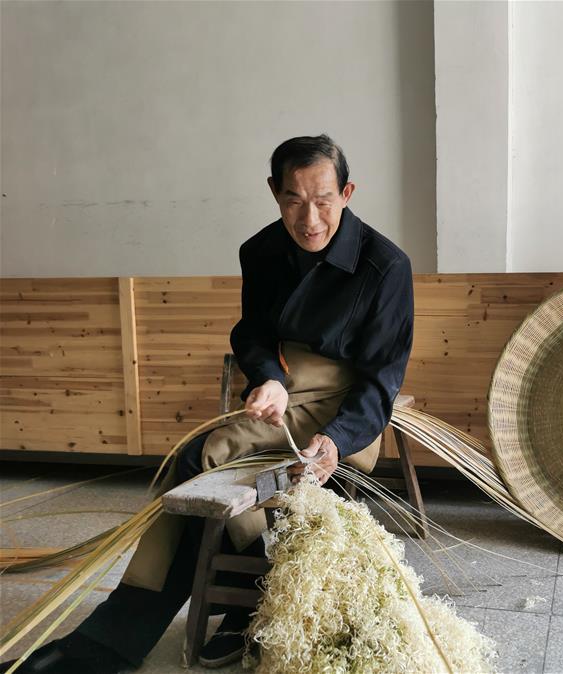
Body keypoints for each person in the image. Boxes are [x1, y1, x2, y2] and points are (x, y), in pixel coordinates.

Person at [4, 135, 415, 673]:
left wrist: (337, 440)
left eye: (323, 200)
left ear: (347, 193)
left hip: (346, 405)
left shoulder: (385, 266)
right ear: (274, 193)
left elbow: (381, 379)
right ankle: (212, 611)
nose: (309, 218)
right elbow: (252, 334)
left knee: (205, 456)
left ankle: (178, 620)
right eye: (293, 200)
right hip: (286, 388)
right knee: (194, 466)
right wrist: (268, 378)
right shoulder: (261, 251)